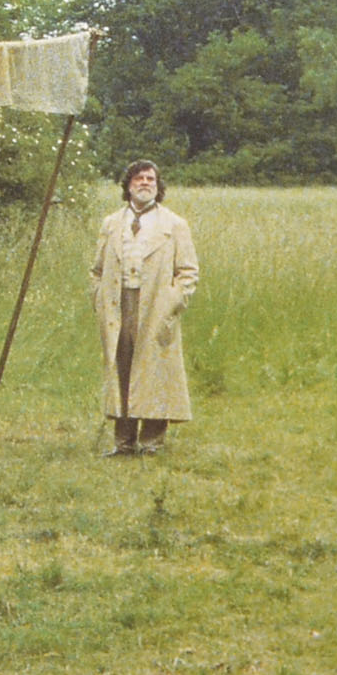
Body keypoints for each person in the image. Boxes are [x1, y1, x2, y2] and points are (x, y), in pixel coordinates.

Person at [90, 160, 199, 456]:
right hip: (119, 303)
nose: (145, 183)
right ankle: (123, 443)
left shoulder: (174, 225)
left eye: (151, 179)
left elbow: (188, 272)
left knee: (155, 370)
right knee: (122, 367)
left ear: (158, 185)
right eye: (139, 178)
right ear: (128, 185)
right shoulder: (111, 223)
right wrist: (99, 299)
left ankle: (152, 443)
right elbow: (97, 269)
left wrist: (172, 303)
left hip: (156, 305)